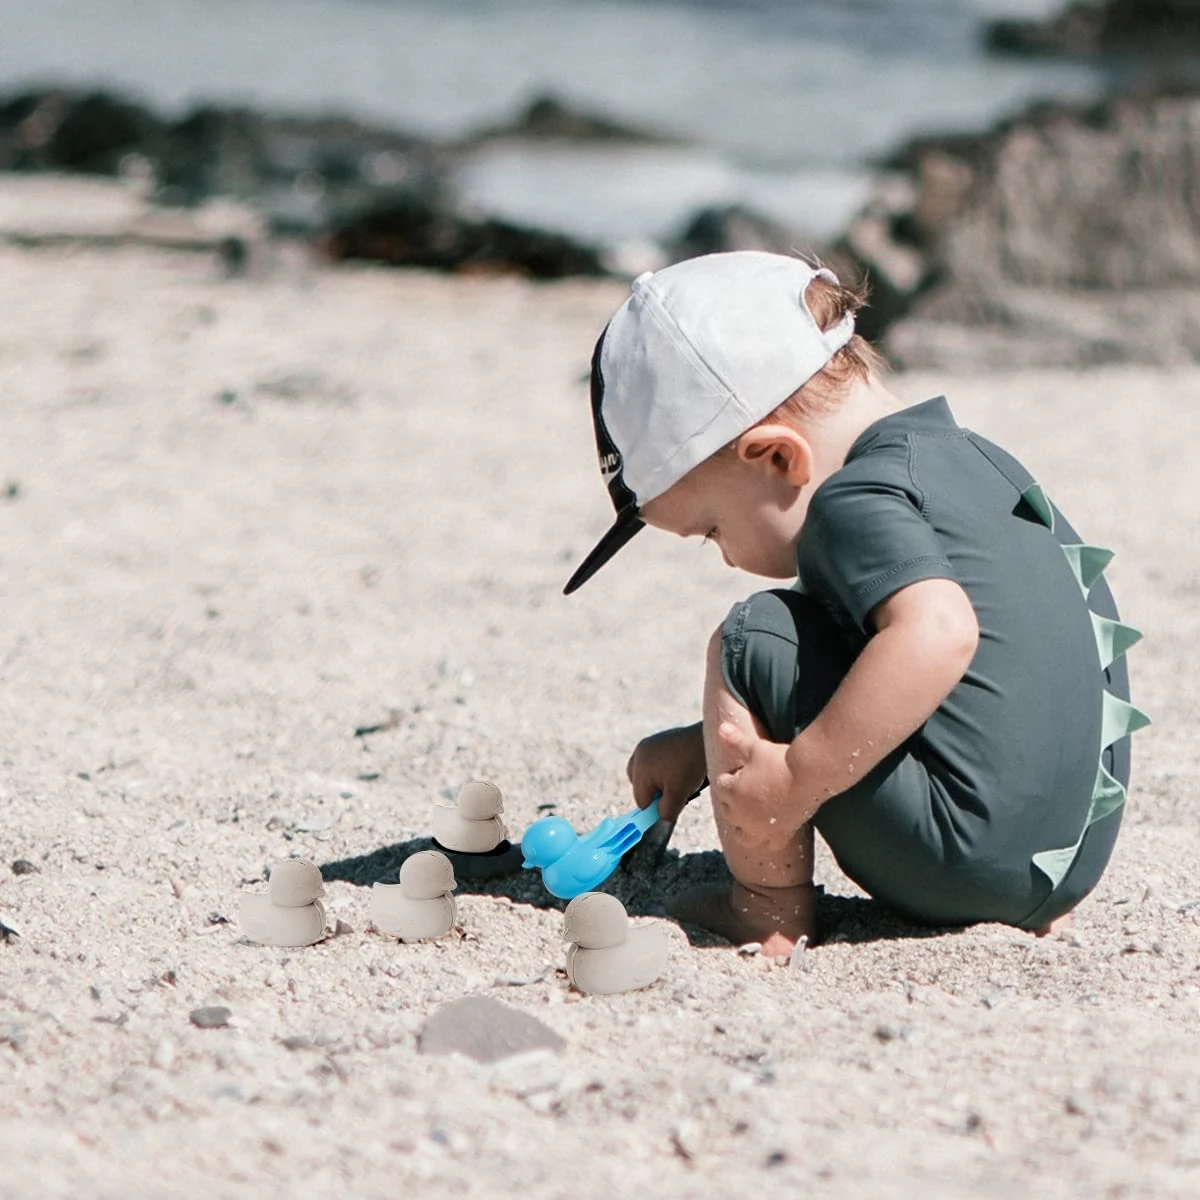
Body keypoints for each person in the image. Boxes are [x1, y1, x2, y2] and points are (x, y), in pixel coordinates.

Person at [563, 251, 1148, 955]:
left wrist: (795, 779)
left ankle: (766, 907)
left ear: (777, 457)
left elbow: (938, 634)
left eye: (711, 529)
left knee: (752, 635)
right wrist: (705, 746)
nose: (724, 555)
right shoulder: (980, 465)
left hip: (954, 864)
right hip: (1065, 863)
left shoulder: (851, 504)